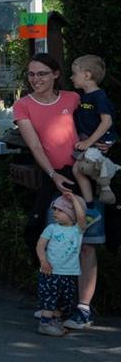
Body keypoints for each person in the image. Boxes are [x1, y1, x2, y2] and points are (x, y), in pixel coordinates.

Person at [14, 53, 104, 329]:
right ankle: (55, 306)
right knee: (56, 246)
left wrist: (104, 142)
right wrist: (53, 176)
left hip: (83, 176)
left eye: (42, 73)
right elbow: (35, 145)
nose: (36, 79)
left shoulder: (73, 98)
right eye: (31, 74)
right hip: (54, 180)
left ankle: (83, 309)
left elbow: (95, 124)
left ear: (55, 74)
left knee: (87, 244)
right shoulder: (23, 105)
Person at [35, 193, 87, 336]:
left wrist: (74, 200)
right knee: (49, 299)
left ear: (72, 214)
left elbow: (82, 217)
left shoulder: (78, 230)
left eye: (60, 210)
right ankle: (44, 324)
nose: (55, 212)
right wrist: (43, 260)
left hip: (69, 273)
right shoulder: (51, 228)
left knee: (64, 301)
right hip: (51, 272)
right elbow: (40, 245)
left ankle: (55, 322)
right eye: (55, 209)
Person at [70, 54, 116, 205]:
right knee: (80, 169)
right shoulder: (82, 96)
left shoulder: (99, 97)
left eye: (74, 73)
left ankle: (91, 204)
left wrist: (89, 142)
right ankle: (93, 199)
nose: (71, 77)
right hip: (90, 142)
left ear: (87, 75)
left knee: (79, 169)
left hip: (98, 142)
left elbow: (107, 121)